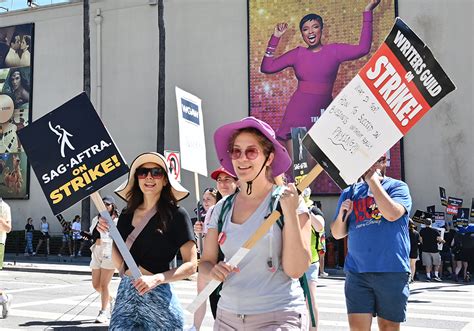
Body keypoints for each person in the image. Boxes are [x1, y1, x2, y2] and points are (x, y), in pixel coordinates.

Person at [199, 116, 312, 329]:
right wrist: (213, 271)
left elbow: (296, 269)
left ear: (269, 158)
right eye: (236, 151)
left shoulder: (288, 202)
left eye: (251, 151)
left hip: (278, 316)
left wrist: (289, 214)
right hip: (226, 317)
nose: (242, 159)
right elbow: (205, 262)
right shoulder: (221, 209)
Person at [260, 0, 380, 156]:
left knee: (317, 171)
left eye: (315, 27)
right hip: (298, 116)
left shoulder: (334, 51)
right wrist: (275, 37)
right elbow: (267, 67)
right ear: (302, 34)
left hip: (323, 116)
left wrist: (368, 10)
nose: (310, 32)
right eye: (305, 29)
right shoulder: (298, 54)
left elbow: (363, 49)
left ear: (321, 29)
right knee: (301, 172)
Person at [97, 152, 197, 330]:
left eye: (156, 172)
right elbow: (120, 261)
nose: (149, 177)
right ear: (137, 179)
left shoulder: (177, 215)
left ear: (165, 180)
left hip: (158, 294)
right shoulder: (127, 214)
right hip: (126, 295)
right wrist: (108, 232)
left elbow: (191, 265)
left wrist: (157, 279)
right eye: (143, 172)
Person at [331, 153, 412, 330]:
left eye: (372, 161)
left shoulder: (397, 187)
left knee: (388, 327)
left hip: (391, 270)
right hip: (357, 272)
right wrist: (343, 214)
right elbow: (337, 234)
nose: (366, 166)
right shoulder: (350, 192)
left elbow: (392, 214)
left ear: (383, 163)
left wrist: (372, 181)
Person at [191, 168, 238, 330]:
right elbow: (204, 249)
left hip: (239, 269)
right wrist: (198, 234)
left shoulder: (245, 205)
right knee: (218, 311)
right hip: (217, 268)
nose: (223, 184)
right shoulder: (214, 209)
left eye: (227, 179)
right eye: (219, 180)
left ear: (236, 181)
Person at [89, 195, 119, 323]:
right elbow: (92, 234)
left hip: (110, 249)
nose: (105, 207)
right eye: (103, 204)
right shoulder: (96, 218)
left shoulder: (117, 220)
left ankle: (103, 312)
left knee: (104, 284)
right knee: (96, 285)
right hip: (97, 249)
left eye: (108, 204)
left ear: (112, 206)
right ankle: (111, 299)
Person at [302, 188, 325, 330]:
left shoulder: (314, 209)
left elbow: (319, 226)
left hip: (311, 261)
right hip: (291, 261)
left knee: (310, 299)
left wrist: (307, 210)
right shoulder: (289, 207)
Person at [0, 198, 12, 318]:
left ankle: (4, 298)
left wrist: (1, 221)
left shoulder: (5, 207)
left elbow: (8, 228)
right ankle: (4, 298)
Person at [408, 219, 421, 283]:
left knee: (407, 265)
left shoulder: (405, 232)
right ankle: (412, 278)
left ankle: (407, 278)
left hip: (407, 250)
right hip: (414, 250)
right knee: (413, 265)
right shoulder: (416, 233)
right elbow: (419, 242)